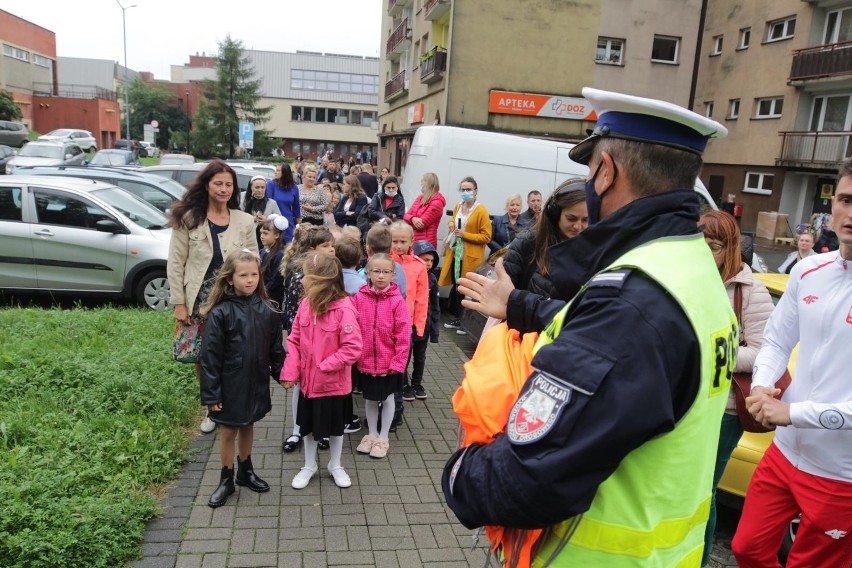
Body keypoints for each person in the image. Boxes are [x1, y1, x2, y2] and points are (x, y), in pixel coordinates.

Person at [442, 87, 735, 566]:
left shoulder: (632, 298)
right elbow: (627, 349)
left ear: (606, 171)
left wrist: (460, 473)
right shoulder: (690, 268)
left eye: (590, 167)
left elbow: (528, 479)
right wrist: (517, 304)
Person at [731, 160, 852, 568]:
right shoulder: (809, 268)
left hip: (840, 473)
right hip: (785, 453)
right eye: (846, 200)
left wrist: (792, 412)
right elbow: (777, 340)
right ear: (831, 206)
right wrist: (763, 384)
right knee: (746, 548)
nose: (851, 214)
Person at [699, 210, 774, 567]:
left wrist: (709, 350)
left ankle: (698, 558)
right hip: (692, 403)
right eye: (698, 244)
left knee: (704, 490)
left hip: (727, 409)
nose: (704, 253)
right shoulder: (693, 279)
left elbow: (763, 353)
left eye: (712, 246)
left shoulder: (751, 290)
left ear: (729, 248)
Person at [168, 159, 258, 434]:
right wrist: (180, 303)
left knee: (234, 353)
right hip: (201, 299)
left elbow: (254, 258)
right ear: (207, 185)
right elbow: (175, 261)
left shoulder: (245, 220)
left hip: (234, 298)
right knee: (204, 355)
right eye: (218, 183)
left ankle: (230, 403)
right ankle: (210, 407)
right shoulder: (189, 218)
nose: (223, 189)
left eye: (228, 184)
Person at [199, 249, 285, 508]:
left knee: (248, 424)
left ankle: (245, 471)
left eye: (254, 275)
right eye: (243, 275)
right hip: (229, 384)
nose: (250, 280)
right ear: (229, 279)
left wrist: (283, 375)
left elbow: (275, 350)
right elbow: (210, 357)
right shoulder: (220, 313)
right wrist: (211, 393)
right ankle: (226, 478)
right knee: (229, 430)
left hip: (256, 381)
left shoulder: (268, 310)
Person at [280, 252, 362, 489]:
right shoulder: (305, 305)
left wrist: (325, 366)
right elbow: (294, 339)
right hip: (308, 384)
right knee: (307, 426)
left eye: (307, 276)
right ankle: (309, 465)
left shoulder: (344, 308)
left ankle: (335, 465)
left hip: (334, 384)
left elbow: (353, 347)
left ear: (322, 280)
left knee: (336, 428)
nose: (302, 280)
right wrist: (291, 370)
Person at [280, 225, 336, 453]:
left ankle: (322, 431)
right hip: (305, 342)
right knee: (301, 387)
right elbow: (293, 313)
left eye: (333, 245)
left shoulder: (333, 271)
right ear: (312, 249)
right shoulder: (299, 274)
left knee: (325, 388)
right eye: (326, 246)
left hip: (328, 343)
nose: (331, 250)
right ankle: (297, 430)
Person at [352, 253, 412, 459]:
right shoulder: (358, 298)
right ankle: (371, 433)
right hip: (366, 360)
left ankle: (383, 437)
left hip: (389, 363)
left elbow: (404, 334)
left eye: (385, 272)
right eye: (376, 271)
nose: (380, 276)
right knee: (369, 398)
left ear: (393, 275)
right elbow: (353, 328)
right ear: (367, 273)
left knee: (387, 399)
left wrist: (399, 362)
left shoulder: (397, 301)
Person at [501, 179, 588, 299]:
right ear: (555, 214)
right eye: (571, 219)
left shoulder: (596, 253)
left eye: (585, 220)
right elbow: (504, 295)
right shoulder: (528, 242)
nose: (578, 226)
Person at [441, 176, 492, 335]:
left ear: (475, 191)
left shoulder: (481, 210)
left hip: (471, 257)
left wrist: (465, 234)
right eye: (463, 190)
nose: (465, 192)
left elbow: (486, 236)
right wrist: (451, 224)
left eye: (468, 189)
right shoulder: (458, 206)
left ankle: (466, 322)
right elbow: (453, 219)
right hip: (457, 254)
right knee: (457, 287)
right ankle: (458, 318)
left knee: (468, 290)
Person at [390, 222, 429, 404]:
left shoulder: (419, 266)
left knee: (403, 357)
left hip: (407, 323)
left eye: (403, 241)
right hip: (387, 320)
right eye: (394, 241)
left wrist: (419, 328)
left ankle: (401, 388)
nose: (398, 246)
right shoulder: (384, 262)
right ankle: (394, 388)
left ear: (411, 242)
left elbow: (421, 300)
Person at [411, 240, 441, 398]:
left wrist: (435, 331)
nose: (428, 264)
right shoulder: (409, 275)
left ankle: (416, 384)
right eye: (424, 259)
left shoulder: (432, 279)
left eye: (431, 260)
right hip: (409, 325)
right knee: (404, 356)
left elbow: (435, 307)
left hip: (425, 326)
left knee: (420, 357)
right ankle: (403, 385)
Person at [403, 172, 446, 249]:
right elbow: (405, 216)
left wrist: (410, 220)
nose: (421, 184)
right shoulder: (420, 198)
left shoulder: (437, 202)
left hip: (426, 244)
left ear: (428, 183)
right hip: (415, 241)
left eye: (423, 181)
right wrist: (413, 218)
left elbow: (421, 225)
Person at [259, 214, 288, 314]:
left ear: (276, 235)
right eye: (261, 233)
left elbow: (275, 279)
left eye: (266, 233)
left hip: (272, 296)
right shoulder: (263, 251)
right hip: (262, 293)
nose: (262, 236)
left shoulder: (280, 254)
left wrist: (262, 292)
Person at [242, 175, 281, 246]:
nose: (260, 190)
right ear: (251, 187)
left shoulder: (272, 203)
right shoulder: (243, 201)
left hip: (265, 240)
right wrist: (251, 218)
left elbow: (279, 221)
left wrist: (267, 220)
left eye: (262, 187)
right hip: (246, 237)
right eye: (257, 187)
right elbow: (237, 217)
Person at [266, 164, 300, 243]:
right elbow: (268, 204)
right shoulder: (271, 185)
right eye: (275, 170)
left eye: (278, 170)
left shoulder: (294, 187)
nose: (275, 173)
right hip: (273, 222)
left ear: (285, 172)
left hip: (288, 222)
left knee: (288, 247)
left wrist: (299, 226)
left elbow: (297, 209)